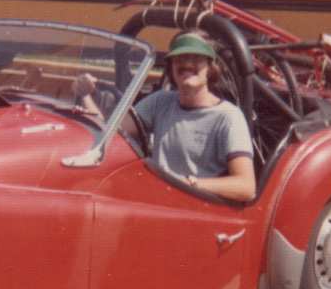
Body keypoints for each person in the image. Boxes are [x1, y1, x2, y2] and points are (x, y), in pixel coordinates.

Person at [74, 31, 256, 202]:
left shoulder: (228, 117)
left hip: (195, 206)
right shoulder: (161, 101)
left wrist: (189, 183)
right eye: (179, 59)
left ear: (210, 67)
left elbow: (246, 186)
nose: (187, 64)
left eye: (196, 58)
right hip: (155, 200)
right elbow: (110, 134)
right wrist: (85, 96)